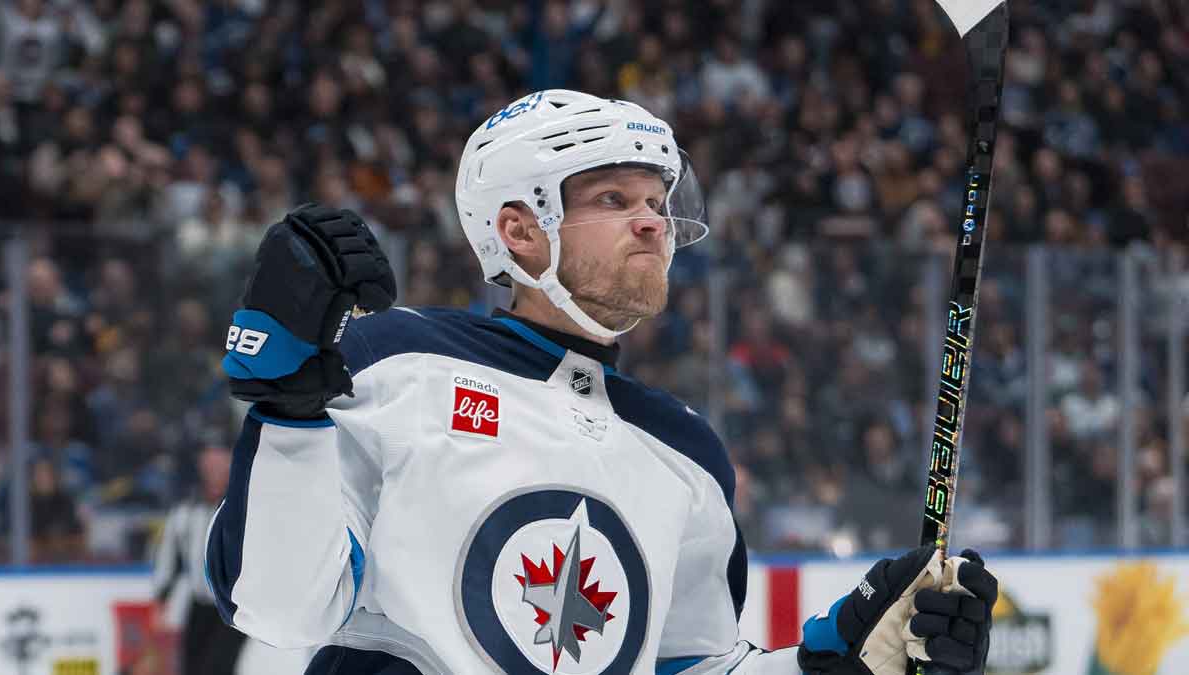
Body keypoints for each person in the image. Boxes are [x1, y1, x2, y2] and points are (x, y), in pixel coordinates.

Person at [204, 90, 997, 675]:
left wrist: (842, 652)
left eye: (656, 200)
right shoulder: (391, 360)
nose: (653, 221)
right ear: (518, 228)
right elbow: (278, 606)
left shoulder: (683, 447)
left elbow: (690, 664)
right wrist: (289, 412)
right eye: (614, 199)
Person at [153, 444, 246, 675]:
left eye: (219, 462)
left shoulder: (245, 506)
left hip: (234, 605)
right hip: (199, 604)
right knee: (192, 667)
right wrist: (161, 596)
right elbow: (169, 558)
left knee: (217, 667)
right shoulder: (185, 510)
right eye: (208, 463)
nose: (213, 469)